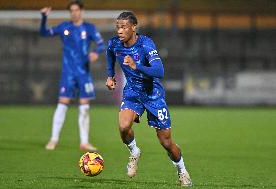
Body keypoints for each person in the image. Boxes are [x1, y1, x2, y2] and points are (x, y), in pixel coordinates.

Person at [105, 12, 193, 186]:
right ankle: (135, 151)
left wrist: (136, 66)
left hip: (153, 94)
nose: (120, 31)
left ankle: (182, 170)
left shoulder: (145, 44)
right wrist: (110, 75)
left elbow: (159, 71)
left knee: (166, 142)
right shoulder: (114, 44)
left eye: (124, 27)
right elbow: (109, 53)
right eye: (118, 27)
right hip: (132, 92)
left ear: (133, 27)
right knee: (123, 127)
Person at [40, 0, 105, 151]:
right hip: (68, 73)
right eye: (72, 11)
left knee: (84, 107)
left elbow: (101, 44)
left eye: (76, 10)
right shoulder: (64, 27)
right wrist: (44, 17)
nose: (74, 13)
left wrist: (96, 52)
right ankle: (53, 139)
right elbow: (44, 33)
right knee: (62, 104)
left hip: (84, 73)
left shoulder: (89, 28)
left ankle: (84, 142)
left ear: (81, 11)